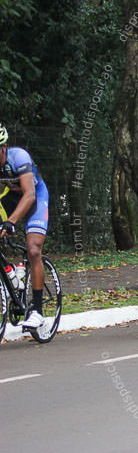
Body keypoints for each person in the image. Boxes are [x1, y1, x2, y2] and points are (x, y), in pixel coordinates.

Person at [0, 125, 50, 329]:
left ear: (4, 147)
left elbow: (29, 194)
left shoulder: (19, 157)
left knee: (33, 250)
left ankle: (37, 311)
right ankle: (12, 272)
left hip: (35, 198)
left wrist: (10, 222)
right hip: (10, 198)